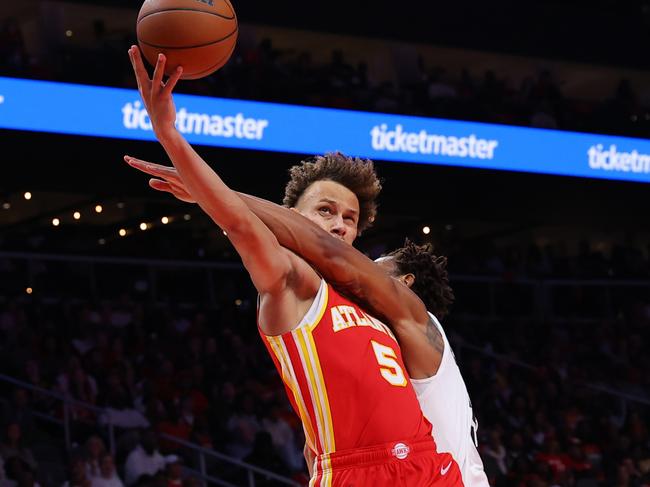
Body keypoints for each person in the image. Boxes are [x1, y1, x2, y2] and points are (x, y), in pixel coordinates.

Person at [126, 45, 462, 486]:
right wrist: (171, 136)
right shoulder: (293, 281)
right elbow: (243, 227)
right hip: (357, 472)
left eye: (349, 218)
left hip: (428, 465)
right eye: (325, 211)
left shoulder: (375, 303)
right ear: (293, 219)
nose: (339, 226)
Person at [126, 165, 489, 485]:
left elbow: (327, 253)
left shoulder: (412, 316)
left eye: (375, 265)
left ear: (403, 283)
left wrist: (214, 193)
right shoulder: (380, 333)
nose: (358, 267)